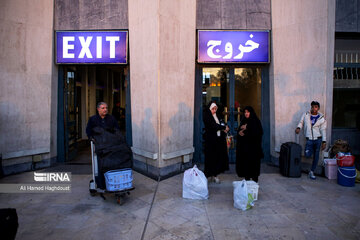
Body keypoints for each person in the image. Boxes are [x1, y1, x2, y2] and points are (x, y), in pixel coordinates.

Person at [295, 101, 327, 180]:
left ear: (318, 108)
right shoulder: (306, 115)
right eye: (312, 107)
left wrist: (324, 141)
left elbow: (323, 130)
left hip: (318, 139)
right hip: (309, 139)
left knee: (316, 156)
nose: (314, 108)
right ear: (311, 107)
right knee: (307, 155)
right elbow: (301, 122)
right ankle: (311, 150)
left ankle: (312, 172)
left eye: (315, 107)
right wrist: (298, 127)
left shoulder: (321, 118)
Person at [203, 102, 229, 183]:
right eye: (212, 109)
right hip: (210, 142)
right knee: (210, 159)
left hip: (218, 141)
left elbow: (221, 124)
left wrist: (225, 127)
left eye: (215, 109)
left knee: (217, 158)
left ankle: (215, 175)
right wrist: (223, 127)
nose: (214, 111)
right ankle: (207, 175)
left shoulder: (217, 116)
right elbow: (213, 126)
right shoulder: (207, 116)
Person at [236, 106, 263, 182]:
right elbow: (239, 130)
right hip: (245, 149)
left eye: (248, 112)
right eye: (245, 112)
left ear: (251, 112)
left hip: (254, 148)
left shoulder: (255, 121)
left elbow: (258, 132)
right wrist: (240, 132)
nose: (246, 114)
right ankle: (247, 179)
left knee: (254, 165)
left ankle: (254, 181)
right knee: (246, 165)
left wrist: (247, 128)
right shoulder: (244, 120)